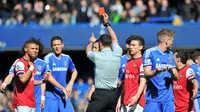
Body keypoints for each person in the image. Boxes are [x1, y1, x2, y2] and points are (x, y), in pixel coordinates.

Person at [0, 38, 68, 112]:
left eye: (36, 49)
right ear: (26, 49)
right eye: (33, 48)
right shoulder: (19, 62)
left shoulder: (42, 63)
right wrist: (4, 84)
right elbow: (13, 76)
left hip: (35, 101)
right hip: (23, 101)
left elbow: (37, 81)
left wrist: (42, 97)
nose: (35, 51)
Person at [86, 13, 123, 112]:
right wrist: (107, 24)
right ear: (110, 44)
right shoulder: (118, 53)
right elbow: (115, 38)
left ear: (100, 44)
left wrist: (91, 41)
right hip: (113, 95)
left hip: (100, 94)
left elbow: (88, 51)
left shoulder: (97, 56)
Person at [143, 28, 179, 112]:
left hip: (168, 100)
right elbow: (147, 74)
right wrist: (156, 71)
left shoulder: (170, 54)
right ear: (166, 41)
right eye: (172, 41)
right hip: (153, 99)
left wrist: (172, 72)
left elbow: (176, 77)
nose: (172, 43)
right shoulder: (150, 52)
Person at [43, 36, 78, 112]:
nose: (57, 47)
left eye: (58, 44)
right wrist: (62, 88)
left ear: (62, 45)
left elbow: (74, 71)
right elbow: (48, 77)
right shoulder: (48, 58)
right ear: (51, 46)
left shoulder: (67, 58)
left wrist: (70, 83)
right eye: (54, 45)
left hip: (63, 94)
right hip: (51, 94)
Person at [116, 35, 146, 112]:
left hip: (136, 102)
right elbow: (125, 84)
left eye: (133, 45)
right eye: (130, 45)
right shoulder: (128, 62)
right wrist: (120, 100)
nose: (130, 47)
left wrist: (136, 97)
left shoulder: (142, 62)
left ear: (141, 47)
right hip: (125, 102)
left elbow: (143, 82)